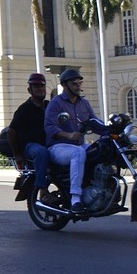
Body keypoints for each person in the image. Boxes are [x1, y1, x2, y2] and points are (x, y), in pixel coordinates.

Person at [44, 68, 96, 214]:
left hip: (78, 145)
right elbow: (49, 127)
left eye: (79, 83)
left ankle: (94, 187)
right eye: (74, 83)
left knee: (99, 150)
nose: (78, 86)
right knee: (78, 153)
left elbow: (94, 122)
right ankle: (75, 198)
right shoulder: (56, 103)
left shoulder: (83, 103)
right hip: (58, 147)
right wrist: (68, 135)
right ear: (65, 85)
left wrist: (113, 129)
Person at [7, 72, 50, 201]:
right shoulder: (24, 109)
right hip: (30, 146)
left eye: (42, 87)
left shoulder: (49, 106)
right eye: (36, 87)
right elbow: (11, 132)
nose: (40, 89)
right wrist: (17, 154)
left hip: (49, 143)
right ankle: (43, 190)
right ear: (29, 90)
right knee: (41, 153)